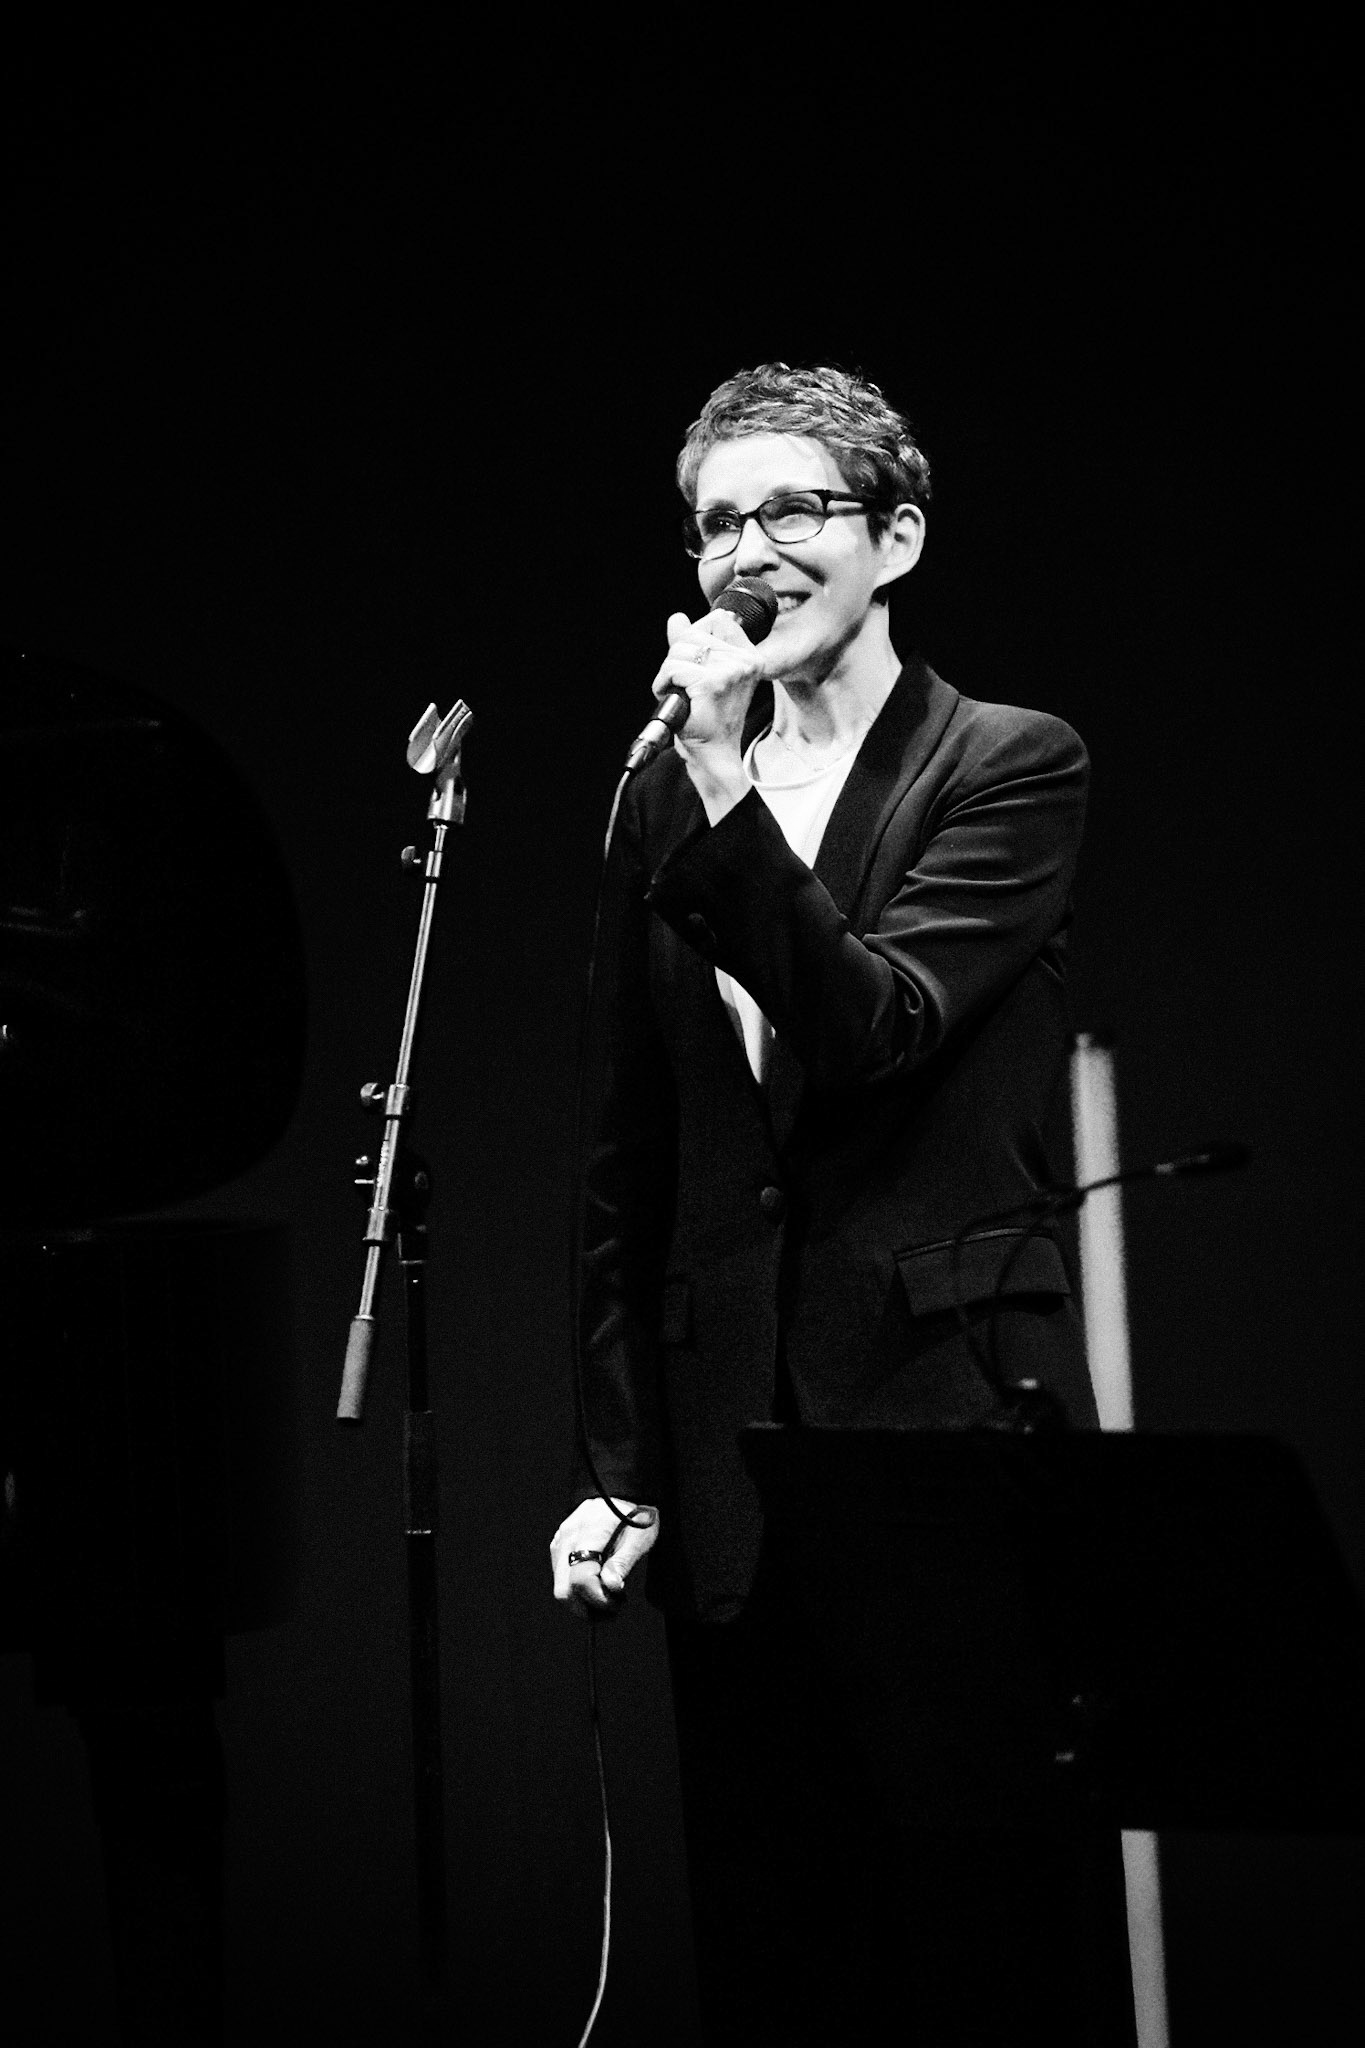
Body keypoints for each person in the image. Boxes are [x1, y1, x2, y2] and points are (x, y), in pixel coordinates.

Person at [550, 363, 1135, 2045]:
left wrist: (725, 796)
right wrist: (619, 1467)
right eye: (717, 520)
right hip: (737, 1480)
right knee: (783, 1957)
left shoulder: (1003, 764)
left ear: (895, 536)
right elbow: (623, 1166)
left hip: (946, 1445)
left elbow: (873, 1024)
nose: (749, 550)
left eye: (792, 510)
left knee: (985, 1955)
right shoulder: (656, 804)